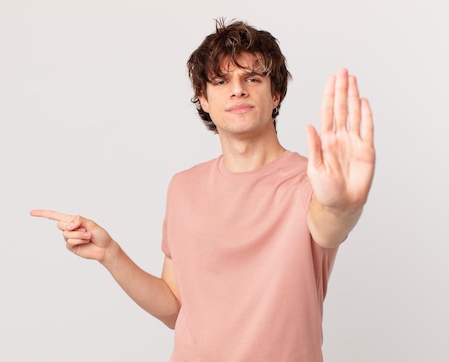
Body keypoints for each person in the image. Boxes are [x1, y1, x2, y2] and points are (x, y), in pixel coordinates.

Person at [30, 18, 375, 361]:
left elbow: (330, 221)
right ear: (204, 100)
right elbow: (175, 307)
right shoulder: (184, 187)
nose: (237, 89)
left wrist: (343, 205)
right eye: (221, 81)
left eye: (252, 78)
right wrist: (111, 255)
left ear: (275, 94)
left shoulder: (311, 182)